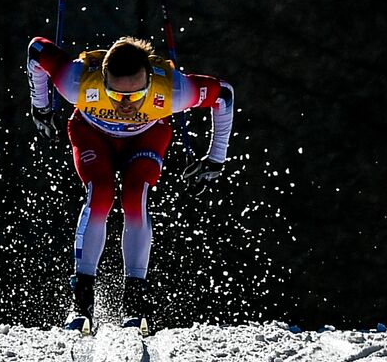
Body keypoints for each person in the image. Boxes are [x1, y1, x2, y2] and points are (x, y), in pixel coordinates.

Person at [26, 34, 235, 334]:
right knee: (100, 193)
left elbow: (223, 94)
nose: (126, 105)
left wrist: (216, 158)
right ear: (102, 79)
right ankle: (81, 303)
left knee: (135, 195)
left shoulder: (173, 90)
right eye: (116, 94)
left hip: (146, 136)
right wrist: (41, 105)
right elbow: (36, 49)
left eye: (137, 96)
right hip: (92, 132)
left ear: (150, 81)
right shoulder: (77, 82)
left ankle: (135, 304)